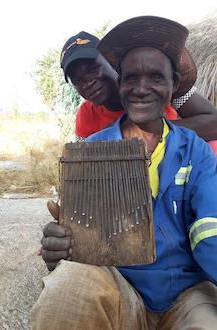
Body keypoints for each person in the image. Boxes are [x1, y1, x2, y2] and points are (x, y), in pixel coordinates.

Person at [31, 16, 217, 329]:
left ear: (173, 86)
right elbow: (86, 232)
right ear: (122, 81)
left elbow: (209, 229)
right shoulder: (91, 145)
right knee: (67, 289)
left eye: (156, 78)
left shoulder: (195, 151)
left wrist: (169, 134)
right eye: (132, 78)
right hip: (121, 287)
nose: (142, 88)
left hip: (187, 294)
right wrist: (64, 246)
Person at [60, 31, 217, 154]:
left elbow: (214, 122)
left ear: (111, 62)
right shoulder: (87, 114)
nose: (88, 82)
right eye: (77, 80)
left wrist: (157, 130)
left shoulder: (157, 86)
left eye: (93, 69)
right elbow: (82, 162)